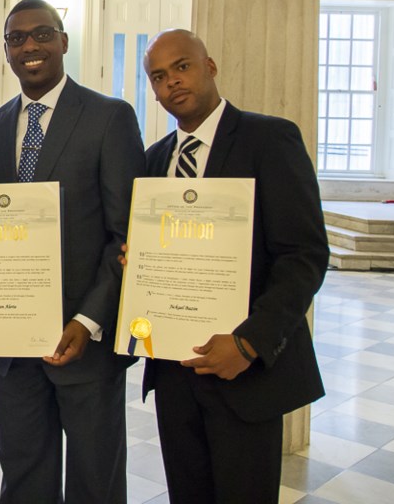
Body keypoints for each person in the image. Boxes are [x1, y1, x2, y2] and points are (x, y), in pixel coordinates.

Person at [0, 0, 145, 503]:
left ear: (63, 41)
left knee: (94, 480)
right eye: (16, 38)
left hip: (84, 341)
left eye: (41, 34)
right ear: (6, 52)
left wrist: (88, 320)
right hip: (11, 343)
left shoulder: (109, 118)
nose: (29, 45)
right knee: (24, 473)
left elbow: (127, 235)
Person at [137, 29, 329, 504]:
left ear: (210, 66)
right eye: (159, 77)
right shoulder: (154, 161)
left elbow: (304, 255)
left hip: (244, 370)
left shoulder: (270, 138)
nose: (172, 83)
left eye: (182, 66)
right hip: (174, 371)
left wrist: (248, 343)